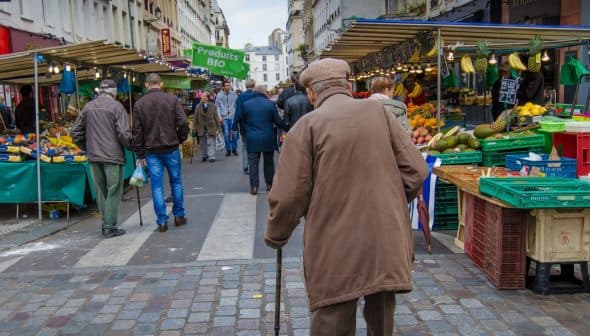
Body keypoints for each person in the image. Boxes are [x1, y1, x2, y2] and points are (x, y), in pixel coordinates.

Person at [265, 58, 428, 335]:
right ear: (349, 86)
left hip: (335, 243)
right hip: (384, 238)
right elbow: (416, 169)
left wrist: (276, 234)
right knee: (382, 318)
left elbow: (289, 196)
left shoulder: (306, 127)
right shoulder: (380, 113)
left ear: (312, 93)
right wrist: (389, 201)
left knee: (333, 319)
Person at [131, 74, 189, 233]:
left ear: (146, 85)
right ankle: (179, 216)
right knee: (176, 182)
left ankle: (162, 221)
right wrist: (180, 139)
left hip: (151, 151)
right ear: (161, 84)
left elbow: (137, 132)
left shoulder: (140, 103)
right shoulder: (172, 100)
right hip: (171, 147)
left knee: (157, 187)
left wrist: (140, 154)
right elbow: (183, 122)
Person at [71, 80, 130, 238]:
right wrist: (131, 146)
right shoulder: (117, 107)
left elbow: (75, 132)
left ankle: (106, 224)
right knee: (113, 191)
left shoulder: (88, 107)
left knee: (101, 192)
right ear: (114, 92)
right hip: (113, 156)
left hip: (94, 156)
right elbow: (124, 134)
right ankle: (109, 226)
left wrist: (86, 147)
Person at [233, 86, 286, 195]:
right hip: (268, 137)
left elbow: (239, 118)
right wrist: (287, 125)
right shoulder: (270, 104)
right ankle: (269, 184)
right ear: (264, 92)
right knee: (269, 163)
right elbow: (277, 121)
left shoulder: (246, 104)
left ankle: (254, 187)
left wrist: (241, 130)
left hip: (252, 137)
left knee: (253, 164)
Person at [233, 79, 257, 174]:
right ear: (254, 85)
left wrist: (234, 126)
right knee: (254, 147)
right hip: (255, 124)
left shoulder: (241, 97)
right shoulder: (256, 95)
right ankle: (252, 165)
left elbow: (238, 112)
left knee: (245, 146)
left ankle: (245, 166)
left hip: (244, 125)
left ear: (246, 86)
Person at [194, 92, 221, 163]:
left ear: (207, 98)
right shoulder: (198, 106)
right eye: (202, 97)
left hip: (211, 126)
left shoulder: (213, 106)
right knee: (202, 143)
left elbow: (216, 117)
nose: (202, 98)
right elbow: (195, 118)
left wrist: (218, 127)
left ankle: (212, 156)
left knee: (211, 142)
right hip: (201, 127)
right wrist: (194, 129)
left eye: (203, 97)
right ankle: (204, 155)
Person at [215, 81, 239, 157]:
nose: (228, 87)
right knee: (226, 134)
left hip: (232, 117)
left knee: (234, 134)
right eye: (226, 85)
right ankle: (228, 149)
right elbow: (217, 107)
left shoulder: (234, 94)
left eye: (229, 85)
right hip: (224, 117)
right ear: (223, 87)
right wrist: (219, 117)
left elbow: (237, 105)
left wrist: (236, 114)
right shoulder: (219, 95)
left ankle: (234, 149)